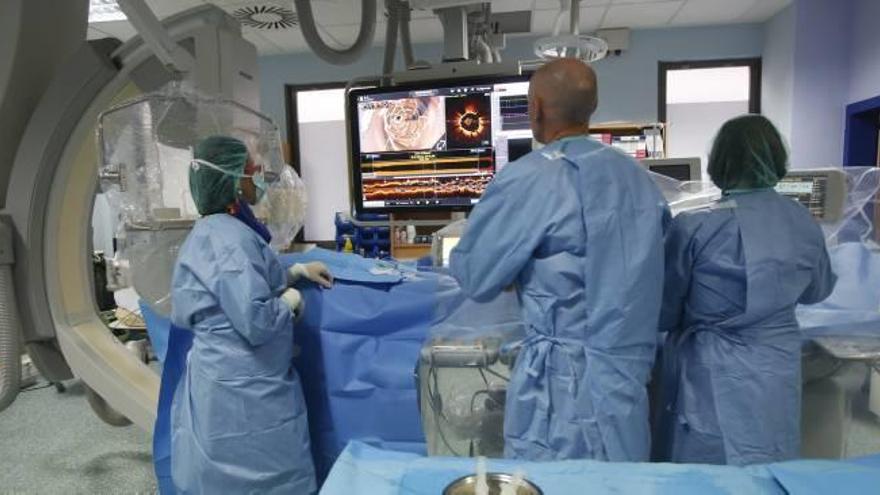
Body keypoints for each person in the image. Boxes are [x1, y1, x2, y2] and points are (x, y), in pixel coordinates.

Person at [449, 59, 670, 462]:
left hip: (562, 389)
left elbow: (475, 275)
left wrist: (517, 270)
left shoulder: (529, 178)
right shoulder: (639, 180)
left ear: (534, 108)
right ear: (594, 105)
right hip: (624, 381)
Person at [654, 115, 837, 466]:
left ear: (719, 163)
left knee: (707, 467)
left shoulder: (696, 227)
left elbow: (664, 311)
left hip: (712, 370)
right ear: (777, 159)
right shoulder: (802, 221)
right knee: (770, 456)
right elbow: (817, 290)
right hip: (776, 364)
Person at [169, 135, 332, 494]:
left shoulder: (219, 231)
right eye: (249, 171)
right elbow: (256, 320)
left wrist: (295, 273)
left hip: (231, 376)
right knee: (262, 475)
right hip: (244, 386)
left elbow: (237, 288)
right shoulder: (229, 239)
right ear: (229, 180)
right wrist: (288, 300)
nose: (258, 176)